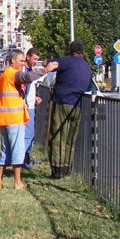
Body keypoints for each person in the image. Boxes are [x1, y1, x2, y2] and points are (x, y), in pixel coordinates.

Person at [0, 50, 56, 190]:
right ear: (12, 61)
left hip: (4, 117)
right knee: (18, 150)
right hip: (14, 117)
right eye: (20, 61)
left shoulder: (4, 75)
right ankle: (18, 182)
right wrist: (45, 70)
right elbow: (27, 77)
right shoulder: (13, 74)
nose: (22, 64)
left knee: (4, 150)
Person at [44, 40, 93, 179]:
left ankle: (57, 170)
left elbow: (48, 63)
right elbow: (88, 87)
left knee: (58, 136)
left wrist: (47, 63)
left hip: (62, 101)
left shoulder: (67, 61)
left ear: (71, 52)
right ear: (82, 52)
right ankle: (67, 168)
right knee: (71, 137)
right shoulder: (87, 67)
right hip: (77, 105)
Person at [21, 47, 47, 169]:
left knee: (29, 135)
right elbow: (24, 85)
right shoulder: (25, 70)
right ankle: (23, 161)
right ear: (28, 57)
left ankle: (25, 159)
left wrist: (34, 97)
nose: (36, 61)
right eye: (34, 59)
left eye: (38, 59)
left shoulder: (29, 69)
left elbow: (27, 88)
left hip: (30, 105)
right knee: (28, 134)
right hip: (26, 107)